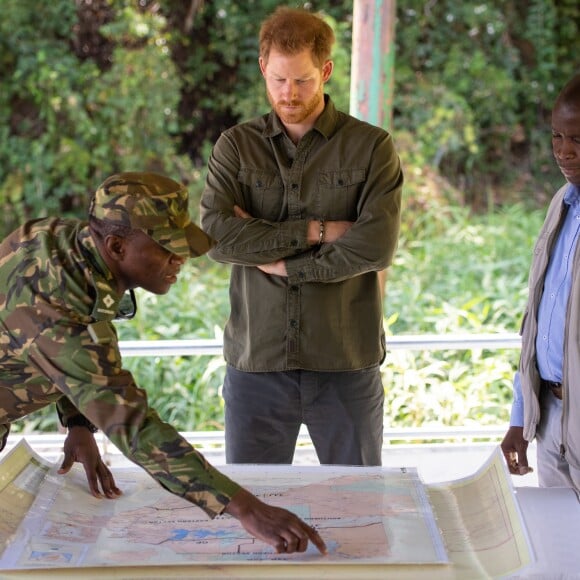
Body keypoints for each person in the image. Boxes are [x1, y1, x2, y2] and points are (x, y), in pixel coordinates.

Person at [0, 171, 326, 555]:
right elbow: (132, 425)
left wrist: (78, 423)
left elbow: (81, 334)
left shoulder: (69, 246)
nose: (181, 258)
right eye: (167, 248)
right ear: (117, 246)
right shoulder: (50, 299)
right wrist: (245, 509)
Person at [200, 7, 403, 466]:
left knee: (360, 507)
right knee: (257, 514)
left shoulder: (371, 147)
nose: (289, 94)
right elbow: (215, 237)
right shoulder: (235, 146)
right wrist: (318, 230)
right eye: (278, 80)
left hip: (345, 364)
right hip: (257, 365)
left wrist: (286, 263)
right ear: (262, 69)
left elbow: (374, 246)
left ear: (326, 70)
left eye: (303, 80)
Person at [501, 73, 580, 492]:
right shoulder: (562, 203)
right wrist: (521, 416)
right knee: (562, 552)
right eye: (556, 137)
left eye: (579, 141)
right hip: (550, 420)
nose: (564, 153)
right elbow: (538, 323)